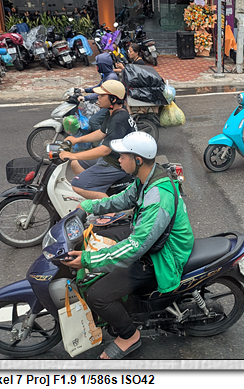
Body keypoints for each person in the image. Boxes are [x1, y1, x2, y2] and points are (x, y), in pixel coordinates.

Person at [63, 131, 194, 360]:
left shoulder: (158, 197)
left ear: (138, 160)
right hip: (150, 239)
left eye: (123, 156)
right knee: (101, 234)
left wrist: (88, 260)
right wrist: (88, 206)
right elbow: (122, 199)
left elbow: (136, 246)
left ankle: (129, 335)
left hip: (161, 256)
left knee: (97, 295)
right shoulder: (146, 179)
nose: (119, 159)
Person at [59, 80, 137, 199]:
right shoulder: (113, 111)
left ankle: (110, 208)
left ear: (113, 99)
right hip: (110, 158)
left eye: (102, 95)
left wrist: (72, 154)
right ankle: (97, 192)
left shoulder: (118, 119)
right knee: (75, 163)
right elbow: (101, 133)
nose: (98, 98)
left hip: (117, 163)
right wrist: (76, 140)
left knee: (78, 185)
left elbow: (105, 150)